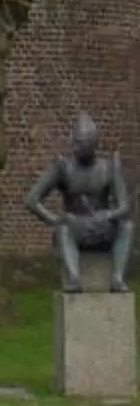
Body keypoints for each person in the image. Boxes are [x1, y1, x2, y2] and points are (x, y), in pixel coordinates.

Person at [25, 114, 134, 293]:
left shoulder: (108, 167)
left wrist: (108, 214)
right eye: (75, 142)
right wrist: (55, 219)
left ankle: (117, 278)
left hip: (102, 227)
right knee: (63, 230)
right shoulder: (63, 168)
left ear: (93, 144)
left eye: (81, 143)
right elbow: (32, 200)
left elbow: (124, 206)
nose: (75, 147)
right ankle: (74, 278)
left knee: (126, 227)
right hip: (76, 228)